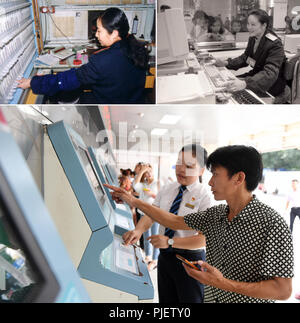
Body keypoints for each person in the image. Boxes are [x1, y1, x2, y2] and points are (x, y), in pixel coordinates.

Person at [105, 145, 294, 303]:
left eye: (216, 175)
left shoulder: (272, 224)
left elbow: (283, 290)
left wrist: (222, 283)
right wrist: (133, 201)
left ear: (238, 178)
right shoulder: (217, 214)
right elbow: (175, 221)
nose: (210, 182)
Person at [123, 144, 211, 303]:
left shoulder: (206, 197)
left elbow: (203, 239)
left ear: (201, 170)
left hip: (190, 261)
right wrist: (138, 230)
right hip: (165, 258)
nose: (181, 169)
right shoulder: (168, 188)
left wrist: (170, 241)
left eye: (189, 166)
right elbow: (151, 214)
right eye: (179, 163)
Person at [17, 7, 149, 104]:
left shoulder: (102, 60)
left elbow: (65, 80)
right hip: (132, 101)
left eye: (99, 30)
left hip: (108, 106)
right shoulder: (138, 47)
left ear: (114, 33)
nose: (96, 35)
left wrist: (33, 82)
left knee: (63, 97)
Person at [214, 9, 289, 103]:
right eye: (248, 24)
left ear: (264, 25)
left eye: (253, 25)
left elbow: (270, 73)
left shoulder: (275, 44)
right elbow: (246, 58)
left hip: (271, 84)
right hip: (256, 76)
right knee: (230, 83)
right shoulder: (253, 38)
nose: (249, 27)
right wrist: (226, 63)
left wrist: (245, 83)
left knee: (236, 93)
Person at [132, 163, 159, 269]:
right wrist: (142, 171)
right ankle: (148, 256)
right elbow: (135, 185)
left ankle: (155, 259)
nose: (149, 174)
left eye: (150, 171)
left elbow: (161, 197)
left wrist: (153, 194)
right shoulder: (143, 184)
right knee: (146, 236)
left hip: (155, 214)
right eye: (146, 172)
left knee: (155, 236)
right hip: (144, 213)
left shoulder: (157, 183)